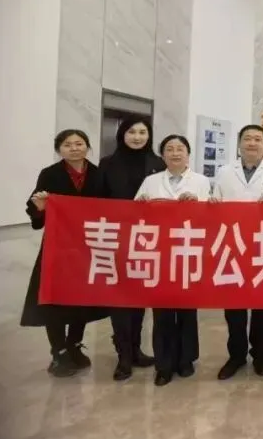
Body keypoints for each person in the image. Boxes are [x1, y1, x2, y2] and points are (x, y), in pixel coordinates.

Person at [21, 129, 110, 377]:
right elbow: (36, 211)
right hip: (57, 247)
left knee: (81, 297)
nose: (74, 148)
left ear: (87, 147)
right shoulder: (49, 174)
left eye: (79, 143)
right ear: (59, 149)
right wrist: (40, 207)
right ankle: (58, 351)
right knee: (55, 298)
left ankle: (74, 344)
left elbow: (109, 207)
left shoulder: (98, 174)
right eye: (67, 144)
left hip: (88, 246)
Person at [211, 124, 263, 380]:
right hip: (232, 245)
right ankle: (236, 355)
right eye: (247, 139)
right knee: (233, 304)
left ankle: (260, 354)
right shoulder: (224, 172)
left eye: (257, 139)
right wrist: (212, 203)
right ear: (239, 144)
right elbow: (215, 202)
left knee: (261, 305)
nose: (252, 143)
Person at [135, 134, 211, 386]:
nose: (175, 153)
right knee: (162, 312)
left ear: (188, 154)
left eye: (180, 149)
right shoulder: (150, 181)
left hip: (189, 252)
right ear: (163, 155)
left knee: (187, 310)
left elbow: (211, 216)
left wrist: (196, 203)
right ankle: (164, 364)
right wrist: (141, 204)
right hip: (159, 254)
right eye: (170, 149)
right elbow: (134, 215)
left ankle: (186, 359)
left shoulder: (201, 181)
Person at [97, 116, 164, 381]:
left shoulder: (158, 163)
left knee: (139, 297)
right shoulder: (107, 164)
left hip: (148, 240)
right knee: (120, 298)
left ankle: (136, 350)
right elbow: (97, 200)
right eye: (132, 132)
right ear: (122, 134)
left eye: (142, 132)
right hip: (118, 237)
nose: (137, 137)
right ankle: (123, 355)